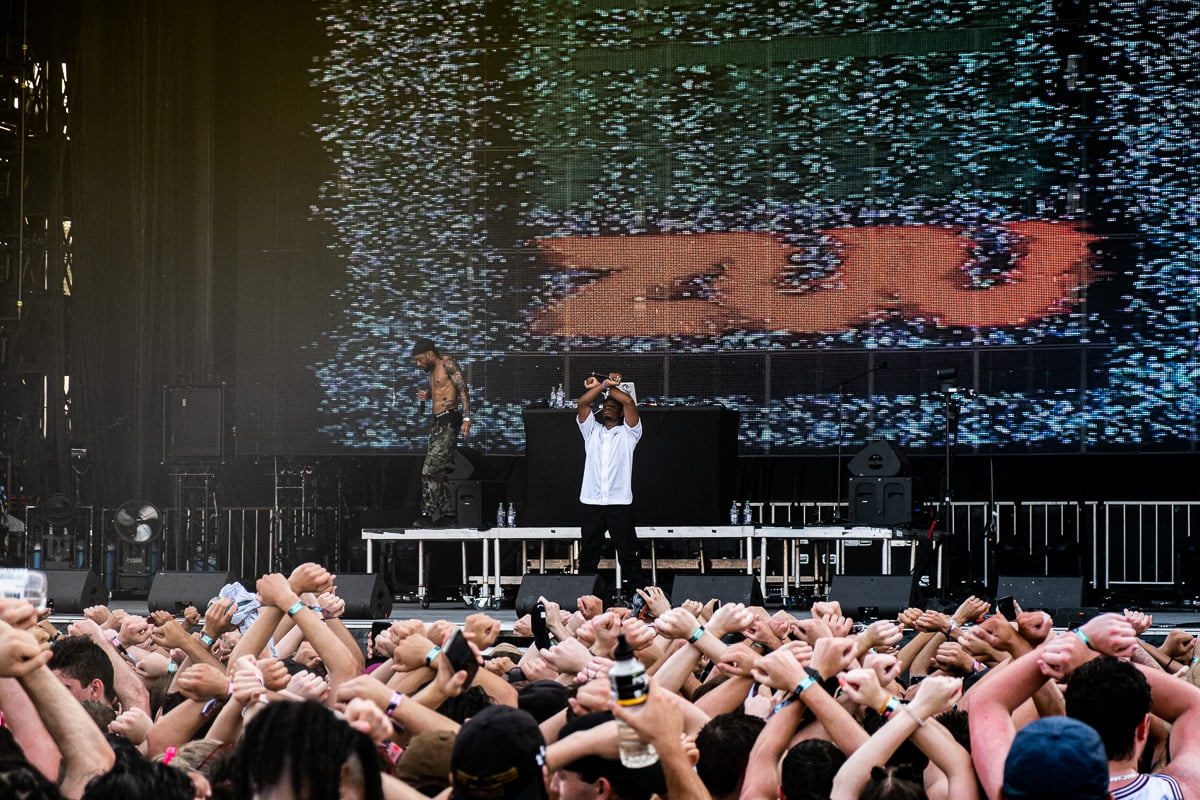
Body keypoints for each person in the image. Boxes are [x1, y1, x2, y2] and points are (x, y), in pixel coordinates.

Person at [575, 371, 643, 594]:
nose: (608, 407)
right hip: (591, 502)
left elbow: (629, 401)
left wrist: (610, 387)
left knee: (628, 555)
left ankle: (637, 599)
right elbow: (583, 402)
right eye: (605, 404)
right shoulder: (591, 431)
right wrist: (604, 385)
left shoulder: (630, 433)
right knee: (589, 555)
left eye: (613, 405)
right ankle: (585, 600)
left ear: (622, 413)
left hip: (619, 503)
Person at [411, 337, 472, 528]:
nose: (418, 364)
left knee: (429, 471)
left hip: (449, 420)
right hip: (437, 423)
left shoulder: (447, 364)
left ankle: (428, 515)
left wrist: (467, 418)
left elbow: (462, 389)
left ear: (430, 354)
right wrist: (427, 395)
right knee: (439, 474)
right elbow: (441, 391)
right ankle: (448, 515)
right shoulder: (432, 372)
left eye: (420, 359)